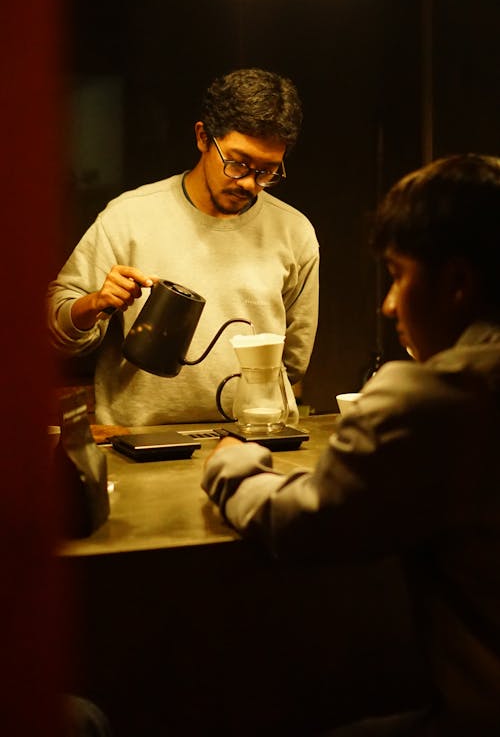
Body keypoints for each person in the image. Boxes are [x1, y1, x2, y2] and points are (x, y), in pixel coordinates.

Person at [202, 153, 500, 737]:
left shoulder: (435, 399)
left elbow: (308, 523)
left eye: (398, 274)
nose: (388, 305)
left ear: (458, 284)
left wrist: (234, 465)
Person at [47, 68, 319, 425]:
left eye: (268, 171)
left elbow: (294, 360)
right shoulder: (130, 216)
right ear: (203, 137)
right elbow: (55, 329)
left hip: (256, 442)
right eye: (238, 164)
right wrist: (94, 304)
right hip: (139, 440)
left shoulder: (293, 231)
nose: (251, 184)